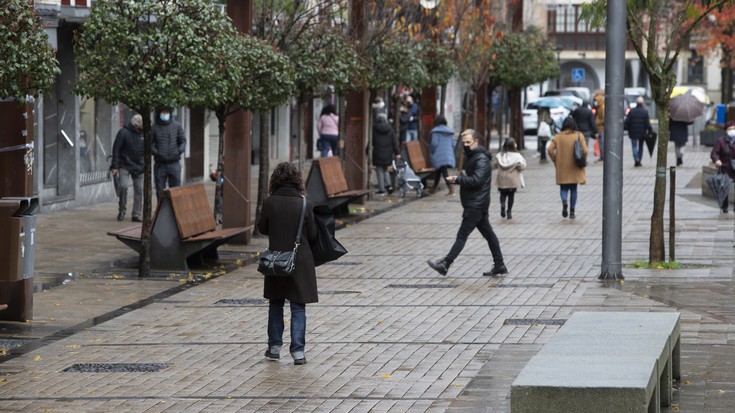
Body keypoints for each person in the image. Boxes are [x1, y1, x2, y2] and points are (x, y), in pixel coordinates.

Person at [257, 162, 318, 365]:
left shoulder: (269, 202)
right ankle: (298, 352)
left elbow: (262, 228)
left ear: (276, 181)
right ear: (297, 181)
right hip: (299, 262)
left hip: (276, 261)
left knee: (276, 303)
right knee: (298, 307)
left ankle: (274, 348)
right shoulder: (304, 204)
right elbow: (312, 234)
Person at [427, 129, 507, 277]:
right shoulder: (472, 156)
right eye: (464, 143)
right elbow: (472, 176)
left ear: (476, 142)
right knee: (489, 234)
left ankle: (445, 264)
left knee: (462, 235)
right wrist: (462, 175)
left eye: (468, 142)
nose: (466, 145)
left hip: (476, 204)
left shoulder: (481, 159)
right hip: (476, 202)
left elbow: (477, 180)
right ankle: (500, 264)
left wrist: (457, 180)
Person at [547, 116, 587, 219]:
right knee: (574, 189)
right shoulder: (579, 135)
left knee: (563, 188)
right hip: (575, 167)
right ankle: (572, 211)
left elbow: (550, 150)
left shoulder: (558, 137)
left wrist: (555, 160)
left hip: (562, 167)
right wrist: (582, 160)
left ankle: (564, 202)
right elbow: (585, 151)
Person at [110, 115, 144, 222]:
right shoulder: (123, 133)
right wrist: (115, 166)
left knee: (139, 189)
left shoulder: (145, 133)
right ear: (136, 124)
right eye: (142, 123)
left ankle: (136, 213)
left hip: (139, 165)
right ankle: (122, 210)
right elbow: (116, 149)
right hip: (125, 164)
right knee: (123, 187)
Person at [152, 107, 186, 200]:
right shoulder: (154, 127)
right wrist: (157, 153)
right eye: (163, 112)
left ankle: (174, 211)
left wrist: (179, 151)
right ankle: (161, 212)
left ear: (170, 113)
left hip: (174, 162)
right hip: (160, 164)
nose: (165, 114)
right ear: (159, 113)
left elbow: (183, 141)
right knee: (160, 191)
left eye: (167, 112)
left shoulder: (177, 126)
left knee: (175, 190)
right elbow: (149, 144)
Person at [493, 138, 527, 220]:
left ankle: (502, 205)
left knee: (503, 194)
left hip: (502, 179)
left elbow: (495, 165)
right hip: (512, 180)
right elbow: (521, 167)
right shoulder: (517, 156)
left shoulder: (500, 155)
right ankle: (509, 212)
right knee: (511, 196)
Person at [427, 115, 456, 195]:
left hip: (439, 154)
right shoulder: (449, 132)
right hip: (448, 154)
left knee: (443, 171)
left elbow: (433, 144)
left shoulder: (435, 132)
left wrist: (432, 153)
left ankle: (450, 187)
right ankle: (434, 188)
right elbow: (452, 144)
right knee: (439, 171)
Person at [372, 113, 400, 195]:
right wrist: (397, 153)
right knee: (385, 170)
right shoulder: (390, 129)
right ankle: (389, 185)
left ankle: (381, 189)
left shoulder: (374, 129)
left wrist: (367, 150)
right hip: (388, 153)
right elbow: (394, 142)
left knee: (379, 170)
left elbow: (372, 141)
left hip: (378, 152)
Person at [710, 121, 735, 213]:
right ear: (725, 131)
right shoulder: (721, 141)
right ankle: (724, 206)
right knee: (724, 186)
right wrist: (717, 160)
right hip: (726, 167)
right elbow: (714, 153)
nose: (732, 131)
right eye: (730, 129)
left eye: (733, 128)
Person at [624, 96, 652, 167]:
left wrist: (627, 128)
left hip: (633, 132)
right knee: (641, 146)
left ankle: (636, 159)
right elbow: (647, 123)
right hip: (642, 133)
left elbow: (627, 121)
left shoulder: (632, 111)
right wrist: (650, 130)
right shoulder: (645, 112)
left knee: (634, 146)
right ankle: (639, 159)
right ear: (642, 103)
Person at [593, 91, 605, 162]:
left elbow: (603, 118)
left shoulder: (602, 108)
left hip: (601, 128)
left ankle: (603, 156)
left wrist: (598, 122)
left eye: (596, 101)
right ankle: (602, 155)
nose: (595, 103)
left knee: (602, 142)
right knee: (600, 142)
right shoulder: (599, 107)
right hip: (599, 128)